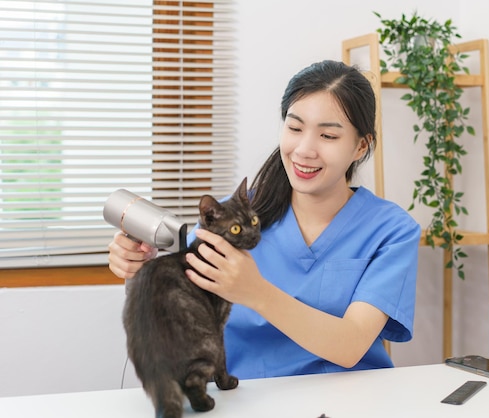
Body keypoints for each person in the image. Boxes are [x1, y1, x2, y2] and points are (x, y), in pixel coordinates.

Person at [108, 60, 421, 379]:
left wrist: (255, 291)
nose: (304, 150)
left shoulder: (392, 231)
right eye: (295, 128)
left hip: (350, 400)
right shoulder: (235, 217)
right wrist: (138, 271)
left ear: (360, 146)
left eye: (327, 136)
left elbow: (351, 345)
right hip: (242, 399)